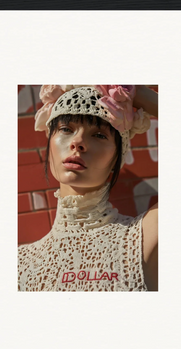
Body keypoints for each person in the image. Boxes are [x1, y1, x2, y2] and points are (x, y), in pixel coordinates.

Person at [17, 85, 158, 291]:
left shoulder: (143, 239)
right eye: (66, 129)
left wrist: (134, 92)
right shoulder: (20, 264)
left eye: (99, 135)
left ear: (117, 158)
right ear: (50, 145)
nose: (78, 142)